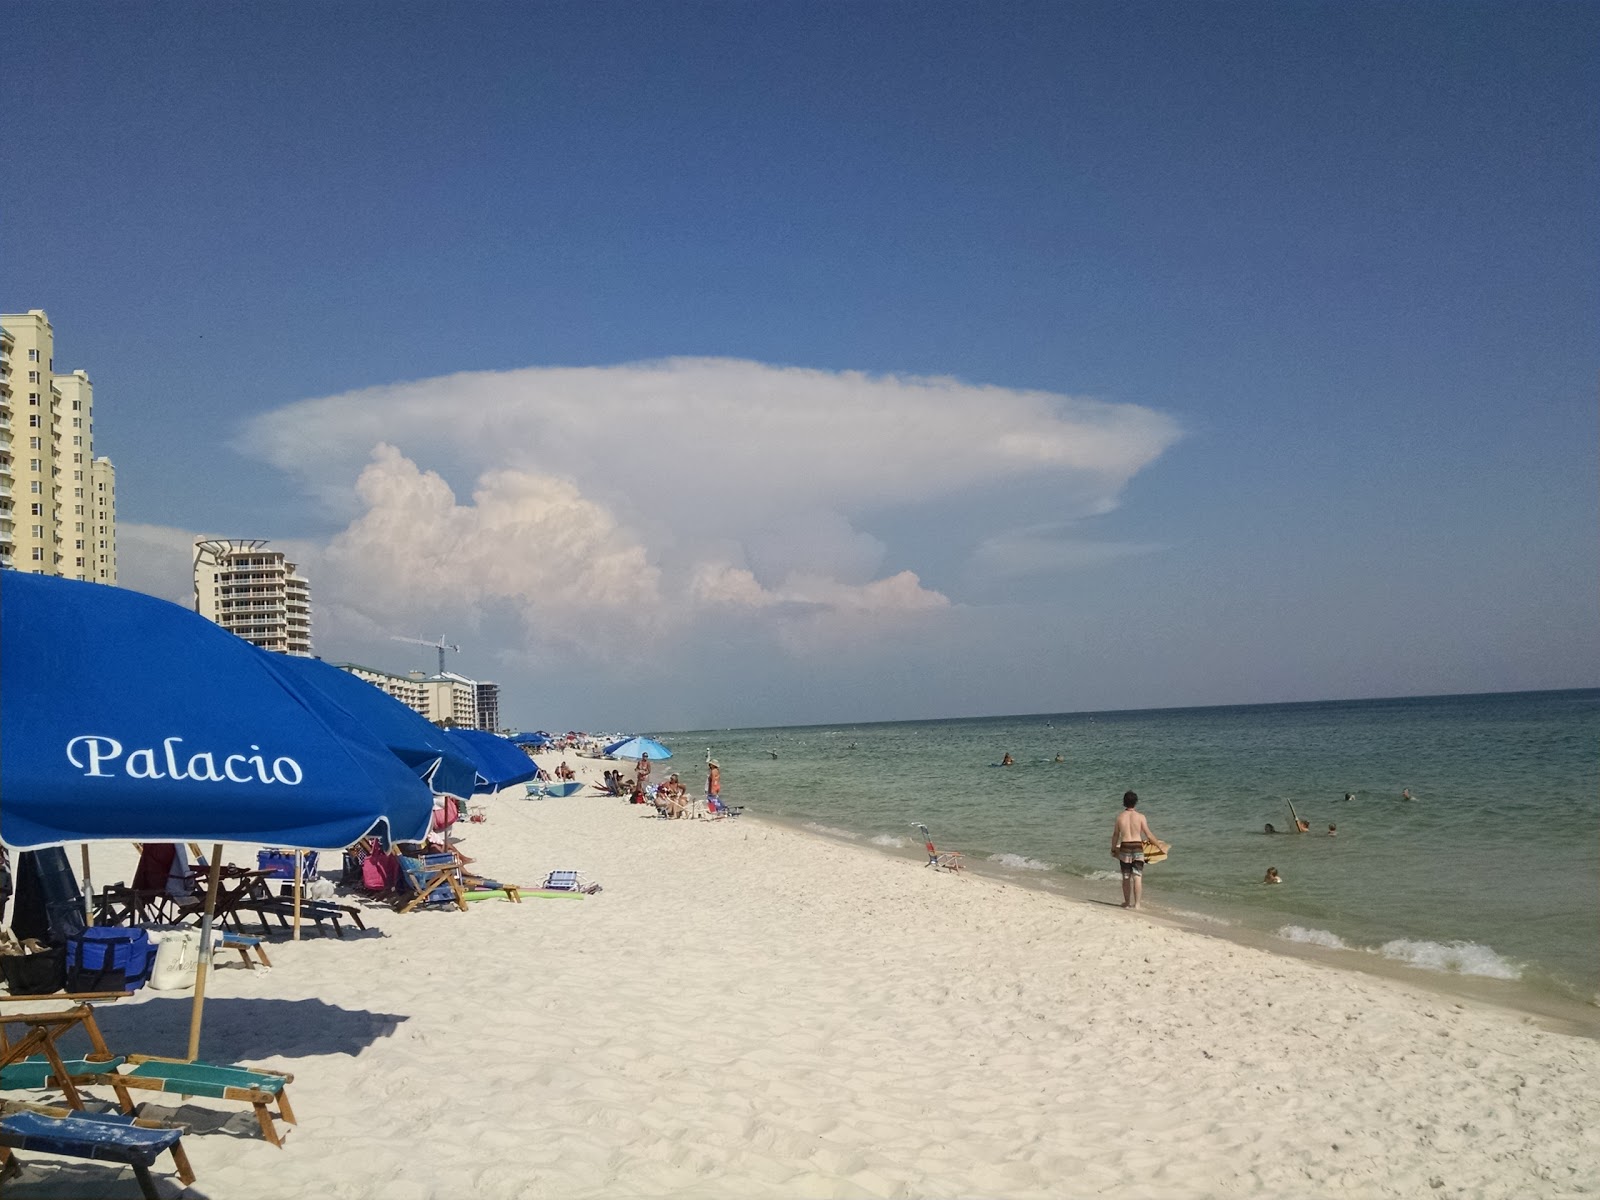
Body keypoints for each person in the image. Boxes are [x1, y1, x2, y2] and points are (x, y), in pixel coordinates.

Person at [1111, 790, 1160, 910]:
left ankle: (1127, 903)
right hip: (1138, 846)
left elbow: (1116, 835)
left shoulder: (1120, 817)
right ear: (1136, 802)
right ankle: (1137, 904)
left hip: (1125, 846)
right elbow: (1148, 834)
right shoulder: (1141, 817)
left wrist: (1113, 848)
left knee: (1126, 876)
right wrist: (1158, 845)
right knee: (1137, 876)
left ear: (1124, 802)